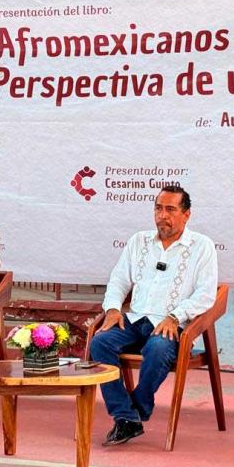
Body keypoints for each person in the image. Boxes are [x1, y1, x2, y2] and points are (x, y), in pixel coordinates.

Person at [89, 185, 217, 446]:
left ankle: (135, 409)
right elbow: (118, 280)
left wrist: (175, 316)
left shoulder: (202, 246)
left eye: (170, 209)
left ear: (186, 214)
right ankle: (126, 416)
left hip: (170, 324)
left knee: (158, 349)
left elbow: (206, 294)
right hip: (135, 320)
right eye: (158, 209)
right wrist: (113, 308)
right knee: (100, 342)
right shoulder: (139, 241)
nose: (162, 216)